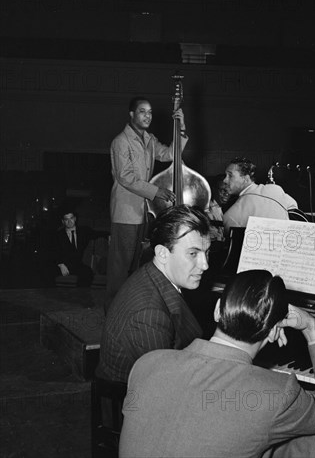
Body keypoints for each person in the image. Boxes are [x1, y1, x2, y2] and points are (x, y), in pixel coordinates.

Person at [119, 269, 315, 458]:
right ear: (274, 331)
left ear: (218, 310)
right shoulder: (276, 395)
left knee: (300, 443)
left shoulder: (147, 363)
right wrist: (312, 327)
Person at [96, 205, 210, 385]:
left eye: (206, 252)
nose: (205, 265)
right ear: (163, 254)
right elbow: (163, 388)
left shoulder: (153, 274)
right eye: (193, 253)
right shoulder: (148, 316)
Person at [105, 96, 188, 310]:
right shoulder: (120, 141)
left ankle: (129, 309)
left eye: (150, 112)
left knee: (135, 265)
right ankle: (112, 310)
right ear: (131, 114)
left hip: (143, 212)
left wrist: (182, 125)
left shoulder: (149, 139)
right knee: (120, 266)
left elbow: (171, 154)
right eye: (142, 111)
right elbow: (126, 177)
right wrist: (157, 191)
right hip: (125, 212)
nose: (147, 116)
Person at [222, 157, 298, 234]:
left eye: (230, 175)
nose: (224, 180)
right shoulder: (275, 189)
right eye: (226, 175)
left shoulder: (230, 216)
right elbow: (293, 207)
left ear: (246, 178)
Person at [55, 209, 109, 287]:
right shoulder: (58, 235)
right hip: (62, 264)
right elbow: (54, 251)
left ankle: (80, 296)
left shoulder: (84, 231)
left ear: (75, 219)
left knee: (87, 273)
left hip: (77, 265)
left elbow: (97, 233)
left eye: (71, 218)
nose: (69, 221)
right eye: (66, 219)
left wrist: (109, 235)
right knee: (46, 272)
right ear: (63, 221)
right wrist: (60, 264)